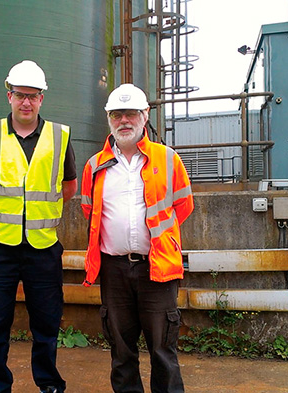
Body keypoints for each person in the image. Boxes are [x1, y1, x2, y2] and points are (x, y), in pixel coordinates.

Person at [0, 60, 77, 393]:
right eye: (19, 95)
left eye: (32, 96)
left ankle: (49, 385)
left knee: (46, 324)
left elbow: (68, 187)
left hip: (43, 248)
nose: (26, 102)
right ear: (9, 95)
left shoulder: (60, 136)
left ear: (42, 98)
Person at [80, 83, 194, 393]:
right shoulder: (94, 166)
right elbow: (89, 212)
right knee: (121, 352)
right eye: (117, 114)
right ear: (108, 119)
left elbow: (184, 206)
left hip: (156, 269)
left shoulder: (167, 159)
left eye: (131, 114)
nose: (124, 121)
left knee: (163, 351)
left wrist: (158, 241)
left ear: (145, 115)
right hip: (114, 270)